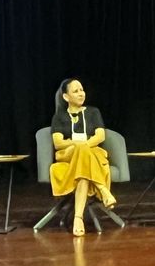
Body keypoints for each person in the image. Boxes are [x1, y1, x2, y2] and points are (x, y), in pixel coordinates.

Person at [49, 78, 116, 237]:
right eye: (76, 91)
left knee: (83, 172)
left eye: (82, 90)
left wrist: (81, 146)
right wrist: (79, 145)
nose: (81, 93)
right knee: (82, 153)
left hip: (88, 156)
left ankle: (77, 218)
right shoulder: (59, 116)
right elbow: (58, 143)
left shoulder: (93, 112)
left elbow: (100, 136)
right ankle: (102, 189)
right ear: (66, 97)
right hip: (69, 157)